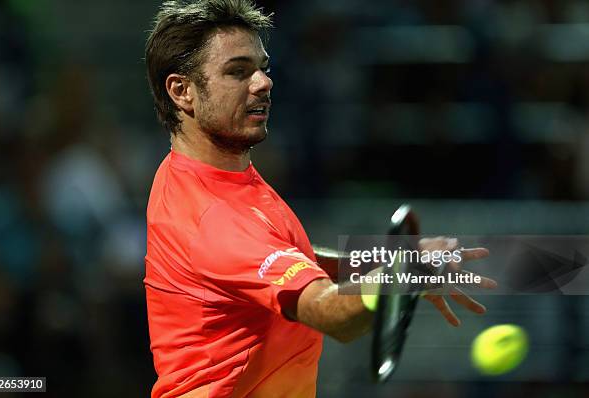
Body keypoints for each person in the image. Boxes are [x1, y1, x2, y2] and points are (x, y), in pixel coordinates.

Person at [143, 1, 496, 397]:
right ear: (182, 91)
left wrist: (384, 263)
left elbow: (283, 256)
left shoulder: (191, 173)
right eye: (237, 71)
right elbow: (332, 314)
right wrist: (400, 275)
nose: (263, 83)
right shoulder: (215, 218)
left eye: (263, 68)